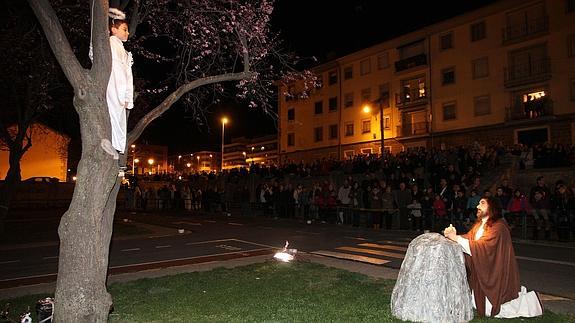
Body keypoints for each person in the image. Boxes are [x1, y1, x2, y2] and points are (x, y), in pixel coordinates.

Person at [444, 196, 542, 318]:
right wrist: (453, 235)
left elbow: (485, 247)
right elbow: (470, 239)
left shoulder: (499, 227)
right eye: (478, 204)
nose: (477, 206)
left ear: (492, 207)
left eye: (482, 203)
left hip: (495, 273)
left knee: (494, 308)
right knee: (477, 304)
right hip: (483, 271)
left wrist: (456, 238)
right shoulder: (479, 225)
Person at [100, 8, 134, 162]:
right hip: (114, 84)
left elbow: (128, 75)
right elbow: (95, 53)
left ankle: (116, 146)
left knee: (119, 117)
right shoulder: (111, 43)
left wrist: (128, 95)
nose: (127, 33)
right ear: (113, 29)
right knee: (114, 115)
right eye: (124, 29)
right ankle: (112, 144)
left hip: (120, 87)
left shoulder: (121, 48)